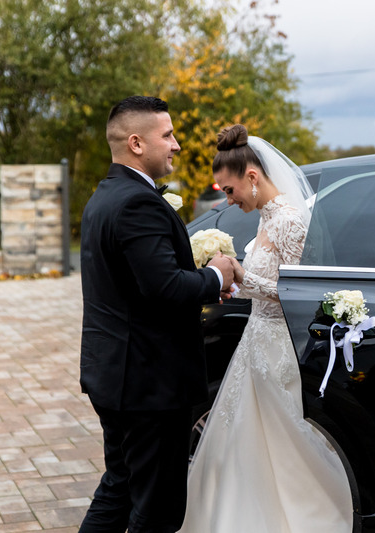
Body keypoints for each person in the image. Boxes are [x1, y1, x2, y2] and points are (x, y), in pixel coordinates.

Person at [178, 124, 353, 532]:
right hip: (254, 341)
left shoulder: (289, 221)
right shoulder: (265, 218)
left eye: (229, 190)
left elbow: (293, 293)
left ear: (253, 177)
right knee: (241, 439)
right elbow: (264, 287)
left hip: (276, 347)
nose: (228, 199)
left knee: (277, 437)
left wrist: (241, 275)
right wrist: (233, 286)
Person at [78, 96, 235, 533]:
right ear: (136, 143)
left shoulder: (104, 196)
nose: (176, 144)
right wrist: (215, 276)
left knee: (121, 488)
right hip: (148, 383)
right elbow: (164, 287)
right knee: (158, 508)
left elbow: (139, 285)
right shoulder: (136, 203)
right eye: (167, 135)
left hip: (117, 374)